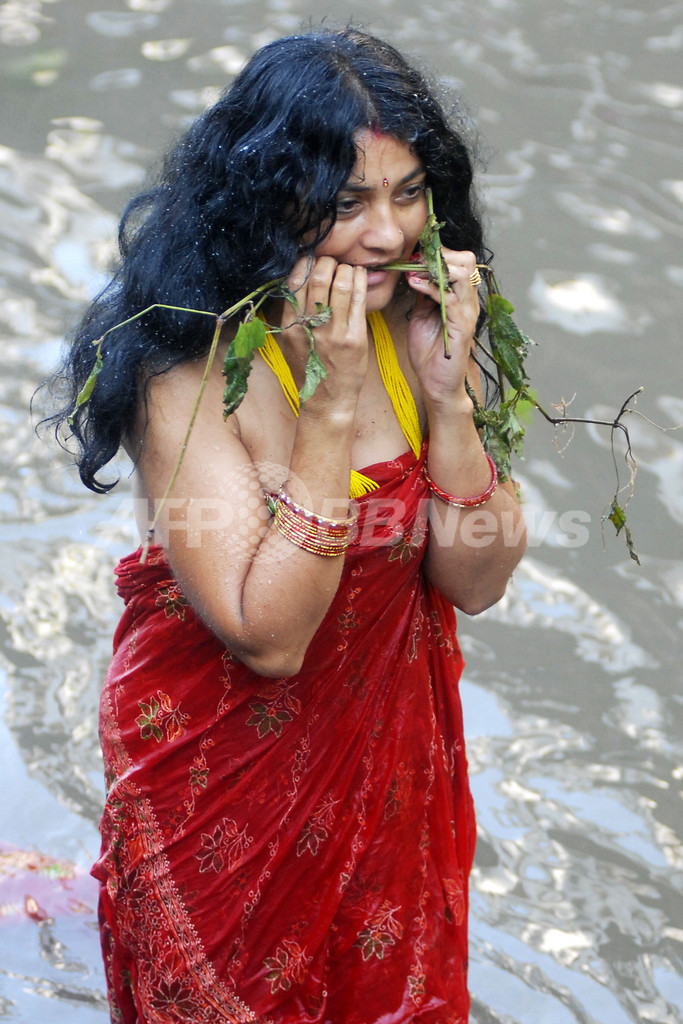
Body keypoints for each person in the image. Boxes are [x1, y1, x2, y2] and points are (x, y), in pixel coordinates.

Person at [50, 26, 526, 1023]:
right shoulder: (185, 366)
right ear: (271, 204)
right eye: (347, 202)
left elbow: (474, 586)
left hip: (381, 765)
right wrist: (328, 406)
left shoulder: (420, 320)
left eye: (407, 195)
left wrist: (444, 402)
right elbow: (266, 637)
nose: (390, 235)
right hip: (219, 773)